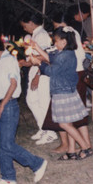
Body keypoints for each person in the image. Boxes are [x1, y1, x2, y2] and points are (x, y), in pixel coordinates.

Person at [0, 33, 47, 184]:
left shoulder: (9, 61)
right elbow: (0, 85)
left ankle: (37, 163)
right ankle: (8, 178)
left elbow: (13, 84)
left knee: (7, 145)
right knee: (2, 145)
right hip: (1, 101)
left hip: (8, 105)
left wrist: (2, 104)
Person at [30, 27, 93, 160]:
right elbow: (52, 59)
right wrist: (37, 48)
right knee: (68, 122)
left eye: (56, 41)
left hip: (63, 92)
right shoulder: (65, 53)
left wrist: (39, 63)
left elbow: (51, 70)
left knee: (64, 123)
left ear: (64, 42)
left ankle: (85, 147)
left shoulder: (65, 55)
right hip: (65, 90)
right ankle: (71, 151)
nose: (54, 44)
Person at [18, 12, 57, 145]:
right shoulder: (36, 34)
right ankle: (43, 127)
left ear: (31, 23)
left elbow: (46, 57)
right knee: (32, 100)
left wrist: (38, 75)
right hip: (35, 70)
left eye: (25, 26)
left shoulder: (42, 35)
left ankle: (51, 132)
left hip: (42, 72)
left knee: (43, 102)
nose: (24, 29)